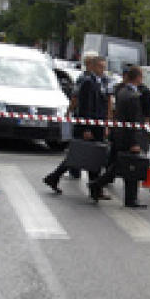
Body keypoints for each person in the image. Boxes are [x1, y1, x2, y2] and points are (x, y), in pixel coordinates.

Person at [43, 54, 111, 194]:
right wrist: (87, 128)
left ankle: (93, 187)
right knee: (80, 155)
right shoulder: (87, 82)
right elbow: (85, 106)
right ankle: (56, 177)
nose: (102, 70)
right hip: (88, 125)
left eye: (104, 67)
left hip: (98, 124)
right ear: (92, 66)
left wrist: (105, 124)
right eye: (100, 67)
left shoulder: (103, 81)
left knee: (93, 156)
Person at [89, 66, 147, 208]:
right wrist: (134, 142)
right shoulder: (133, 96)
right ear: (138, 78)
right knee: (129, 167)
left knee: (122, 166)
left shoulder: (122, 91)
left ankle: (100, 185)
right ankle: (127, 198)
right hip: (127, 137)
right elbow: (132, 121)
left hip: (119, 134)